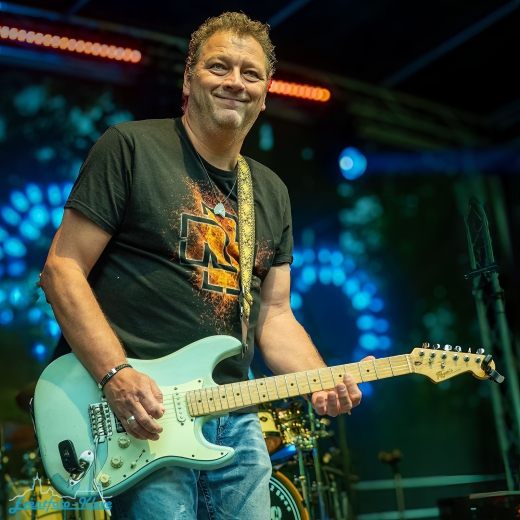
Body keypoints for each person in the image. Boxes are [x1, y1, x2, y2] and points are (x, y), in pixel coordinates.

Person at [40, 12, 369, 520]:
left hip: (236, 415)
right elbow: (62, 269)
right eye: (219, 67)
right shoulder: (129, 147)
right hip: (143, 412)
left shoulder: (270, 192)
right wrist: (115, 374)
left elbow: (274, 314)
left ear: (265, 93)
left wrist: (320, 377)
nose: (235, 81)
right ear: (188, 79)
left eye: (251, 73)